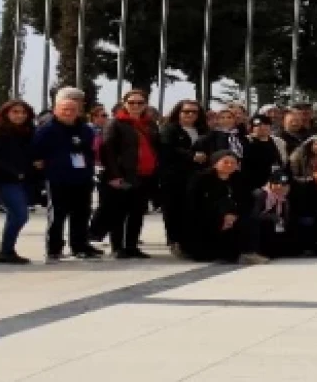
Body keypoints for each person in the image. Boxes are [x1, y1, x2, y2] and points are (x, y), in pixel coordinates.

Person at [34, 92, 101, 262]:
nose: (69, 112)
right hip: (57, 179)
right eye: (65, 109)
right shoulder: (47, 130)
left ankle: (79, 246)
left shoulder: (85, 129)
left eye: (73, 109)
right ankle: (54, 249)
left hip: (82, 178)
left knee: (82, 213)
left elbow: (90, 150)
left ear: (79, 111)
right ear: (56, 110)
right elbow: (36, 152)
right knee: (57, 215)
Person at [99, 89, 161, 259]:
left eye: (140, 103)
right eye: (131, 102)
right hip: (124, 175)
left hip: (145, 175)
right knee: (119, 212)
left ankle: (132, 246)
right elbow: (108, 151)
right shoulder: (115, 123)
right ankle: (118, 247)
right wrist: (114, 175)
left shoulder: (150, 124)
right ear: (124, 103)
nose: (136, 106)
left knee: (137, 212)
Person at [182, 151, 268, 264]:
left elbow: (247, 201)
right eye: (225, 162)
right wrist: (221, 215)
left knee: (251, 220)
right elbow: (196, 204)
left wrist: (234, 215)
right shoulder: (201, 179)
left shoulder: (239, 178)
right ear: (215, 163)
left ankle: (248, 252)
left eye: (233, 163)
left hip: (233, 217)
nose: (229, 165)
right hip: (207, 219)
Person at [159, 100, 206, 258]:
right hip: (174, 177)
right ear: (178, 113)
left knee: (191, 210)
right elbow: (167, 149)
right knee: (173, 210)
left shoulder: (202, 130)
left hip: (197, 176)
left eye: (194, 112)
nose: (190, 114)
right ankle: (174, 242)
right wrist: (191, 156)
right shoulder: (169, 129)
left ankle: (190, 243)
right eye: (186, 111)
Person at [0, 100, 36, 264]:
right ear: (6, 114)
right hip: (4, 179)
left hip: (21, 180)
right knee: (20, 215)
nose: (20, 116)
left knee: (15, 215)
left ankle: (7, 251)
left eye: (23, 112)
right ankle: (6, 251)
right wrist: (15, 172)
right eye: (15, 112)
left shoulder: (27, 132)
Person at [249, 171, 297, 259]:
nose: (280, 187)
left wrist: (283, 221)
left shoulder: (284, 198)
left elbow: (286, 218)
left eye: (284, 185)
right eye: (276, 183)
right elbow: (253, 215)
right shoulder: (261, 194)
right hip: (260, 229)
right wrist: (272, 217)